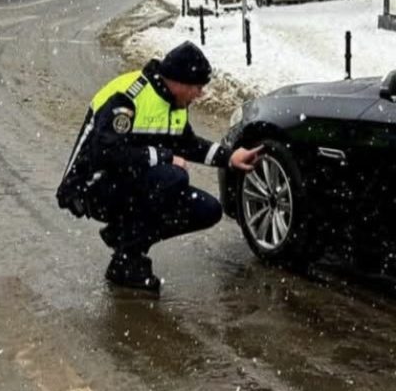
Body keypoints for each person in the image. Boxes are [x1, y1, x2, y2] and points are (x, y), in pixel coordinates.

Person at [57, 41, 262, 293]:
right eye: (197, 87)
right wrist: (164, 156)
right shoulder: (129, 96)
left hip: (128, 182)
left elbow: (187, 144)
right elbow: (107, 153)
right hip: (91, 186)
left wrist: (229, 158)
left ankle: (126, 241)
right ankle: (128, 259)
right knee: (172, 178)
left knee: (207, 209)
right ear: (179, 81)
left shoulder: (174, 103)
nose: (200, 94)